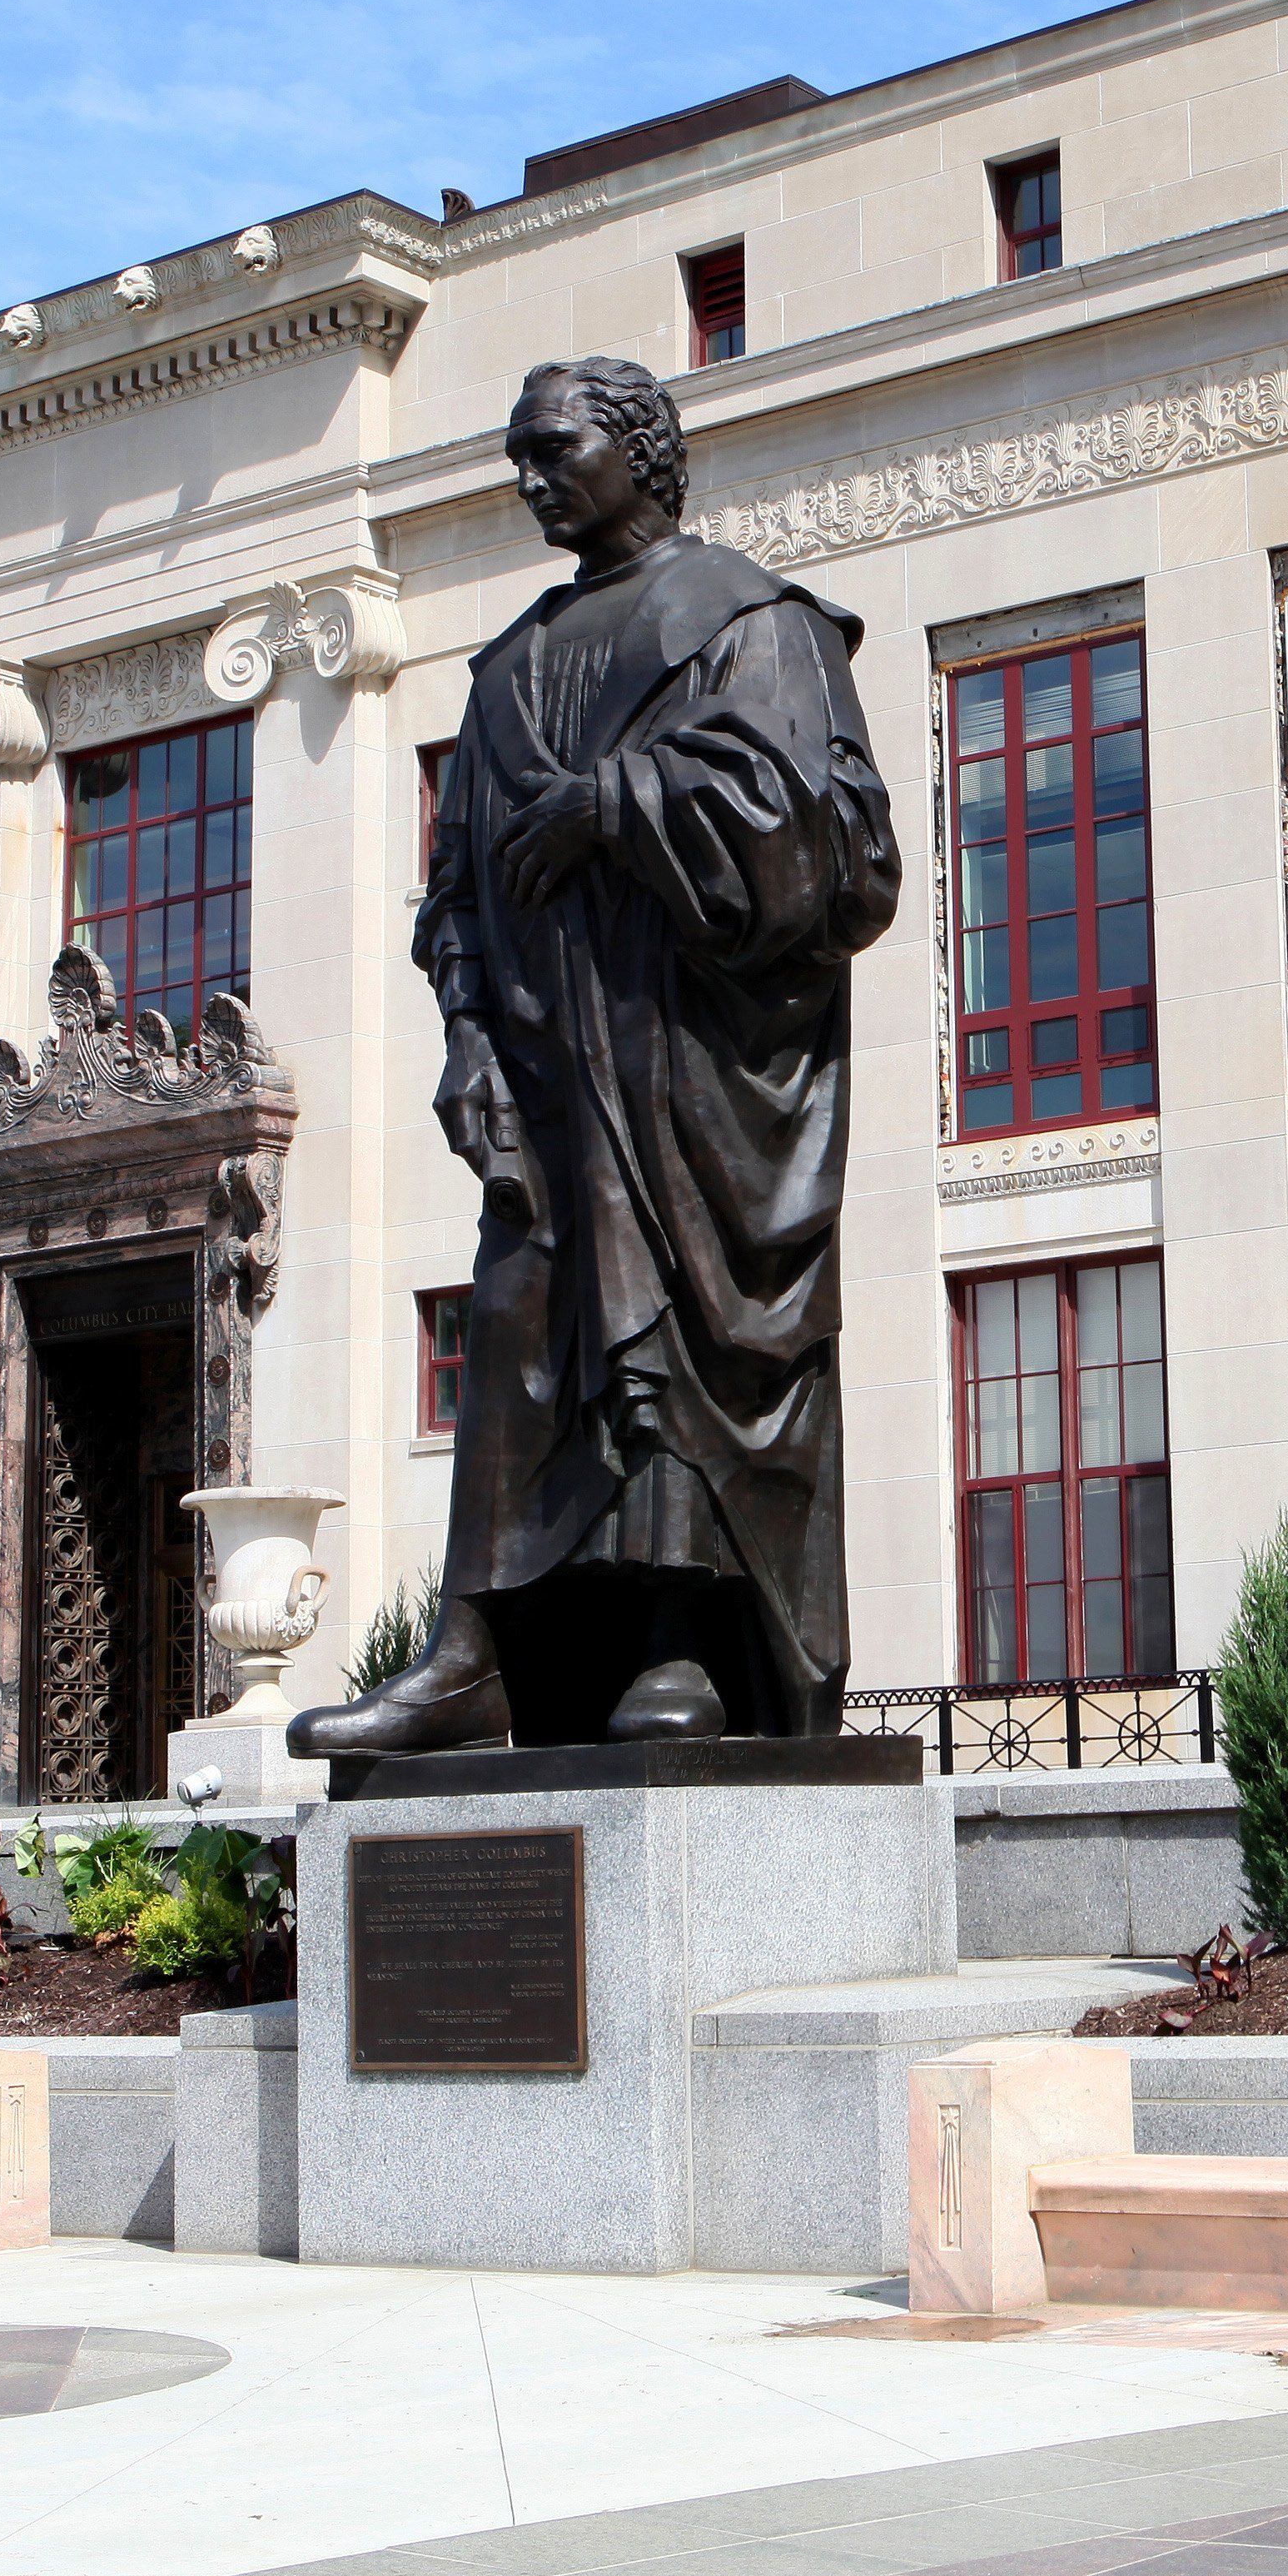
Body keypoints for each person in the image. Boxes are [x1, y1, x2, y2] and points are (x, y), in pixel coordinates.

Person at [292, 358, 897, 1756]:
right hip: (551, 1079)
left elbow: (843, 848)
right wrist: (465, 1048)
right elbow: (453, 897)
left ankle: (683, 1637)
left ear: (639, 446)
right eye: (514, 455)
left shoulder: (750, 622)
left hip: (695, 1077)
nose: (529, 479)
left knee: (670, 1339)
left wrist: (624, 804)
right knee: (516, 1326)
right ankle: (474, 1651)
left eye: (553, 448)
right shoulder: (508, 670)